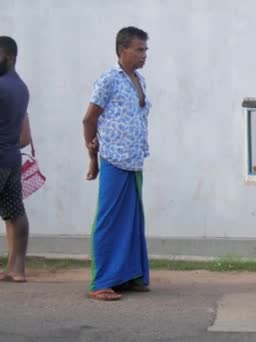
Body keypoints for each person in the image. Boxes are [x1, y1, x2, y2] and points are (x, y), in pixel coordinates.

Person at [82, 27, 151, 301]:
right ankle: (101, 282)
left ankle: (128, 275)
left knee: (131, 222)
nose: (144, 55)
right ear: (123, 50)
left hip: (134, 161)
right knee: (109, 221)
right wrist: (92, 159)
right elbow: (89, 120)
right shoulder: (109, 79)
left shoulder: (139, 79)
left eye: (145, 50)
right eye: (139, 49)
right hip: (113, 159)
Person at [0, 36, 31, 283]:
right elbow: (25, 137)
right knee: (15, 213)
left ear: (9, 57)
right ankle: (16, 269)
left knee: (14, 214)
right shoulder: (21, 87)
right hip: (12, 159)